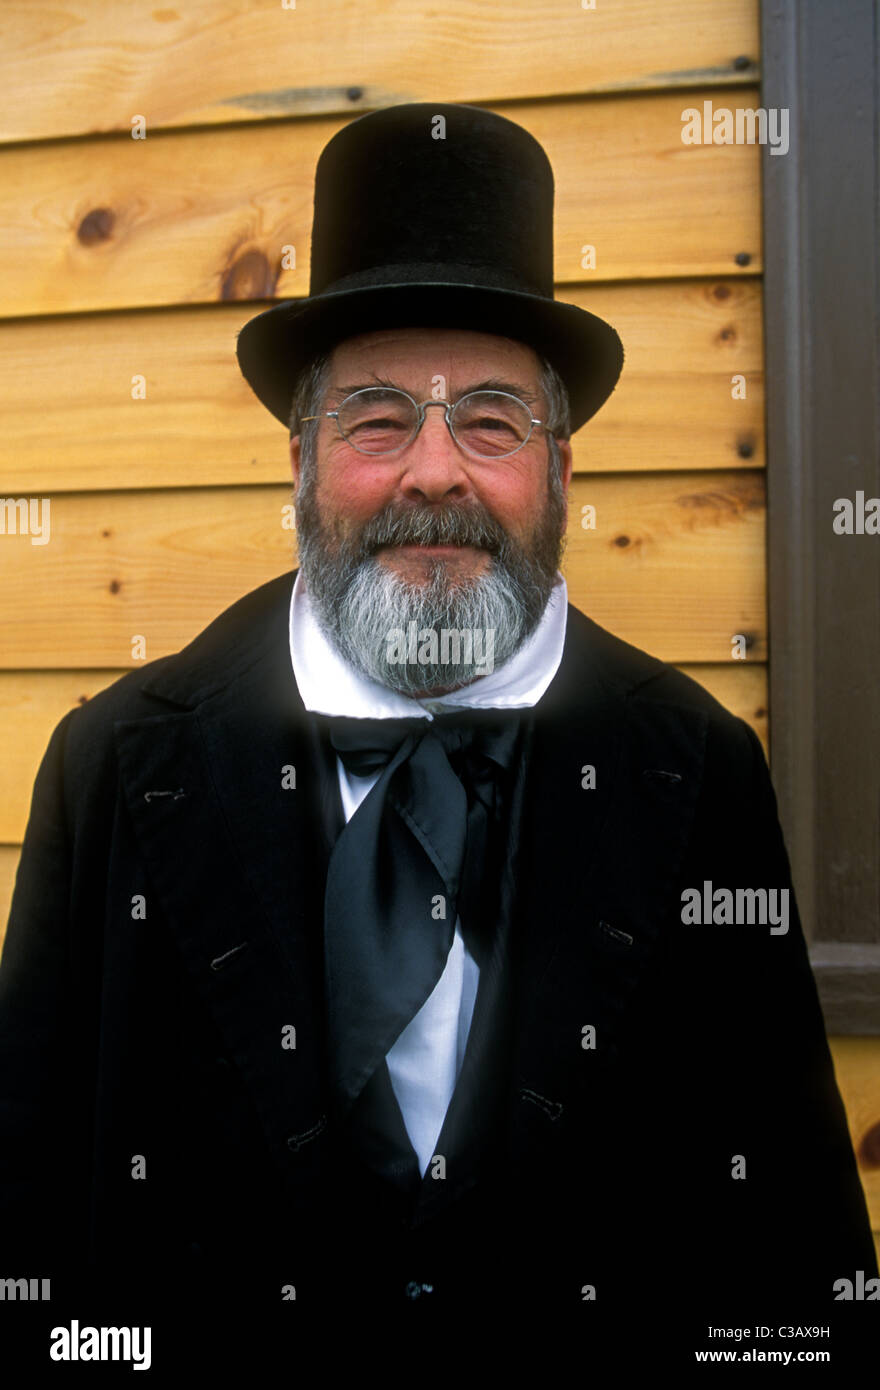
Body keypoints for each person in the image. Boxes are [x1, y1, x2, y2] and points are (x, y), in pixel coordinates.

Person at [0, 103, 875, 1357]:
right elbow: (26, 1210)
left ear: (562, 473)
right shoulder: (116, 766)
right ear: (298, 462)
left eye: (490, 421)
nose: (432, 471)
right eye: (373, 416)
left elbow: (789, 1239)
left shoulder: (694, 770)